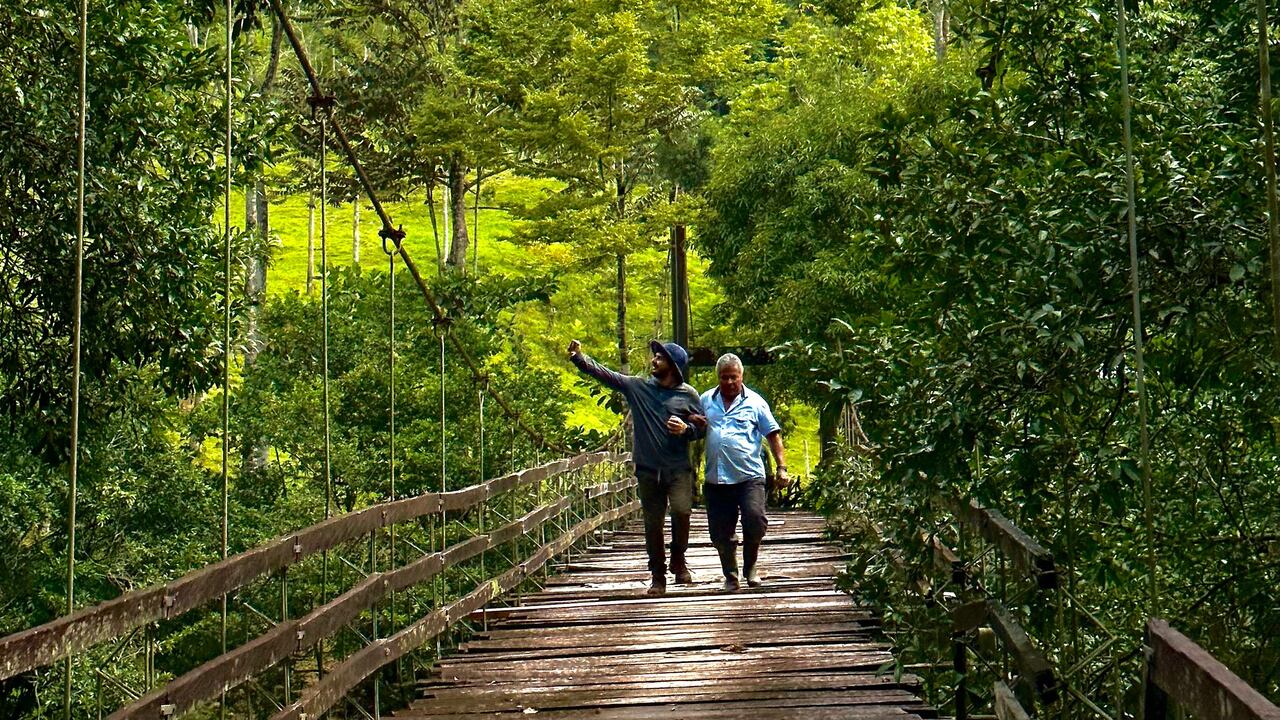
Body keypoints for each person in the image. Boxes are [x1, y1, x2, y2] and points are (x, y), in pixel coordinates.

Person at [568, 338, 705, 595]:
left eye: (660, 358)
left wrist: (687, 429)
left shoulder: (689, 395)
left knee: (682, 511)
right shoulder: (639, 387)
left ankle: (678, 558)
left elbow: (701, 428)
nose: (654, 360)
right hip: (648, 469)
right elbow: (607, 375)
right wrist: (579, 358)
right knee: (652, 523)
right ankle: (658, 575)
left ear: (674, 366)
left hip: (678, 469)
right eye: (655, 356)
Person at [700, 353, 788, 591]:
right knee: (720, 531)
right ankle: (731, 575)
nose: (729, 382)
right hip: (716, 477)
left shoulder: (756, 402)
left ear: (742, 377)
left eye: (733, 377)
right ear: (718, 377)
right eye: (724, 377)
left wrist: (781, 467)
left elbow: (773, 435)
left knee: (755, 519)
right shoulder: (706, 400)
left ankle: (750, 566)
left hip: (749, 475)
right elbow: (693, 427)